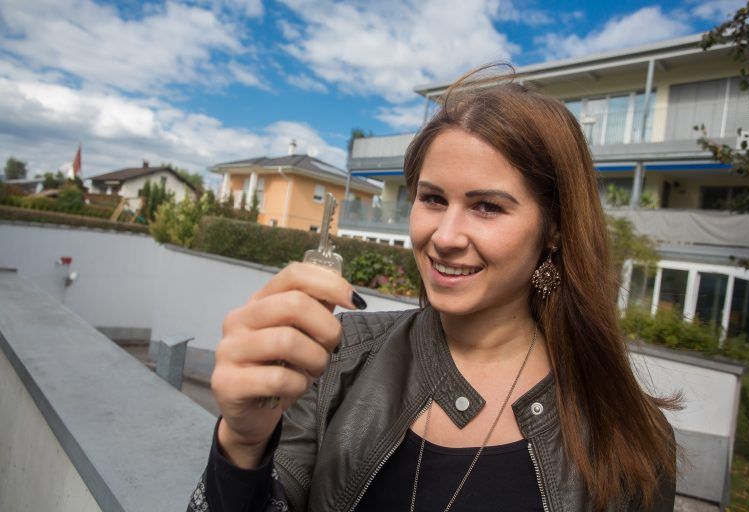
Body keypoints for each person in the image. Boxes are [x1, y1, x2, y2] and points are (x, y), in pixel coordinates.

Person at [188, 67, 677, 512]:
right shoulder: (334, 360)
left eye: (487, 206)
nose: (444, 237)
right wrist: (244, 443)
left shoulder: (630, 434)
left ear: (553, 230)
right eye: (432, 198)